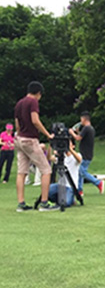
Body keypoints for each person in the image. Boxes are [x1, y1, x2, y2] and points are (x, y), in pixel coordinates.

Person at [14, 81, 56, 212]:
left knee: (21, 172)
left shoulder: (19, 103)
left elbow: (17, 125)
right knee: (46, 170)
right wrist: (48, 135)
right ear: (38, 93)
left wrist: (20, 134)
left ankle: (21, 203)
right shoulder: (33, 102)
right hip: (30, 140)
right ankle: (44, 203)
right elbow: (35, 120)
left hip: (19, 139)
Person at [69, 111, 105, 195]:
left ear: (84, 119)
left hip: (85, 154)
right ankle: (79, 190)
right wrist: (77, 132)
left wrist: (72, 132)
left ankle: (98, 183)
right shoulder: (90, 128)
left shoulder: (86, 128)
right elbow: (82, 137)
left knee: (82, 172)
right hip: (88, 153)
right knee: (81, 172)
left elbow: (78, 138)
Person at [48, 139, 82, 209]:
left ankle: (69, 199)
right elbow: (49, 158)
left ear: (73, 146)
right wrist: (50, 146)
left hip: (70, 186)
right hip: (60, 185)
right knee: (46, 192)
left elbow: (79, 160)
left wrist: (70, 150)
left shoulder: (76, 155)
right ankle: (61, 199)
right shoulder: (61, 157)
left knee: (66, 203)